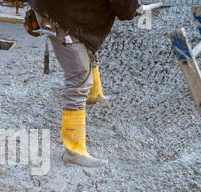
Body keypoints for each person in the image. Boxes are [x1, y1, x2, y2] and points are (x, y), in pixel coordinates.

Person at [25, 0, 139, 167]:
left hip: (64, 8)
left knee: (85, 48)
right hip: (61, 15)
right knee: (78, 78)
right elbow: (124, 10)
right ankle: (74, 150)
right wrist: (134, 9)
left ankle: (94, 94)